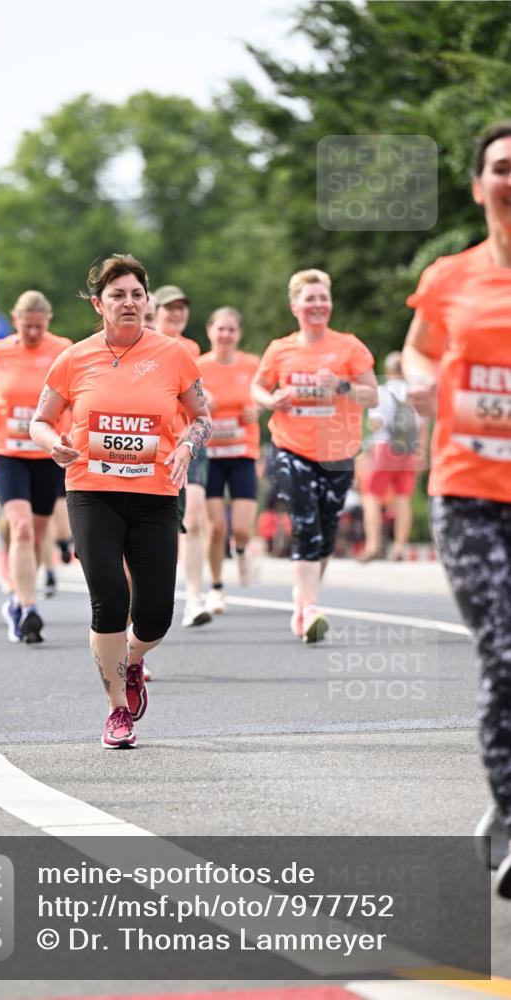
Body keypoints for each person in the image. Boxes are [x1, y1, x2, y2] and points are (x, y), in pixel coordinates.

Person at [30, 254, 211, 748]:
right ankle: (116, 712)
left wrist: (188, 446)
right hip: (91, 490)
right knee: (110, 597)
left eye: (136, 294)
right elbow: (39, 420)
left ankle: (132, 657)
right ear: (99, 304)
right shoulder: (74, 358)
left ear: (146, 301)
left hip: (155, 494)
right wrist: (53, 444)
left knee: (155, 615)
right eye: (117, 295)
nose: (128, 302)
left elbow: (201, 415)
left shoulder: (173, 355)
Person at [402, 122, 511, 898]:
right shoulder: (449, 277)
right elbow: (415, 347)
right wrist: (418, 378)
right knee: (506, 649)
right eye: (502, 168)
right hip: (469, 493)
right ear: (478, 186)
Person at [252, 269, 378, 641]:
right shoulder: (280, 349)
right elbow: (257, 387)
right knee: (304, 523)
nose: (318, 305)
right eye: (310, 299)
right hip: (291, 446)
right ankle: (308, 608)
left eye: (323, 298)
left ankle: (305, 596)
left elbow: (372, 395)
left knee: (325, 532)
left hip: (338, 451)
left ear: (330, 304)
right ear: (296, 306)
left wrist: (341, 385)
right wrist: (270, 399)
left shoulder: (349, 347)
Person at [0, 291, 71, 644]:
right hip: (6, 450)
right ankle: (30, 608)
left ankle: (17, 598)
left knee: (37, 531)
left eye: (38, 326)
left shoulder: (62, 348)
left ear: (47, 322)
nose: (32, 332)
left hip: (46, 451)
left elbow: (76, 391)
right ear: (15, 321)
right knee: (20, 527)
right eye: (26, 325)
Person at [154, 284, 212, 627]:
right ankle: (158, 591)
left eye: (181, 308)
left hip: (187, 440)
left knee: (195, 517)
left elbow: (196, 395)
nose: (176, 314)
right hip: (158, 447)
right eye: (169, 308)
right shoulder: (145, 345)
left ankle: (194, 597)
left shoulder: (190, 348)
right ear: (155, 312)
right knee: (165, 527)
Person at [198, 307, 261, 614]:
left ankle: (241, 550)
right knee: (215, 528)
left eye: (231, 330)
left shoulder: (252, 365)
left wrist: (258, 410)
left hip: (242, 453)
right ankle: (217, 588)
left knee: (242, 528)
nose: (225, 335)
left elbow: (264, 396)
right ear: (210, 331)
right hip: (209, 456)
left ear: (239, 334)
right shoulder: (197, 367)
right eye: (220, 329)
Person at [360, 351, 424, 561]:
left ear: (387, 371)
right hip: (408, 449)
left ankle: (373, 545)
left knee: (371, 496)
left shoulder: (382, 392)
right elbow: (421, 426)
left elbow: (375, 423)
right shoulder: (416, 393)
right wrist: (420, 452)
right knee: (403, 498)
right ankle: (398, 548)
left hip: (384, 448)